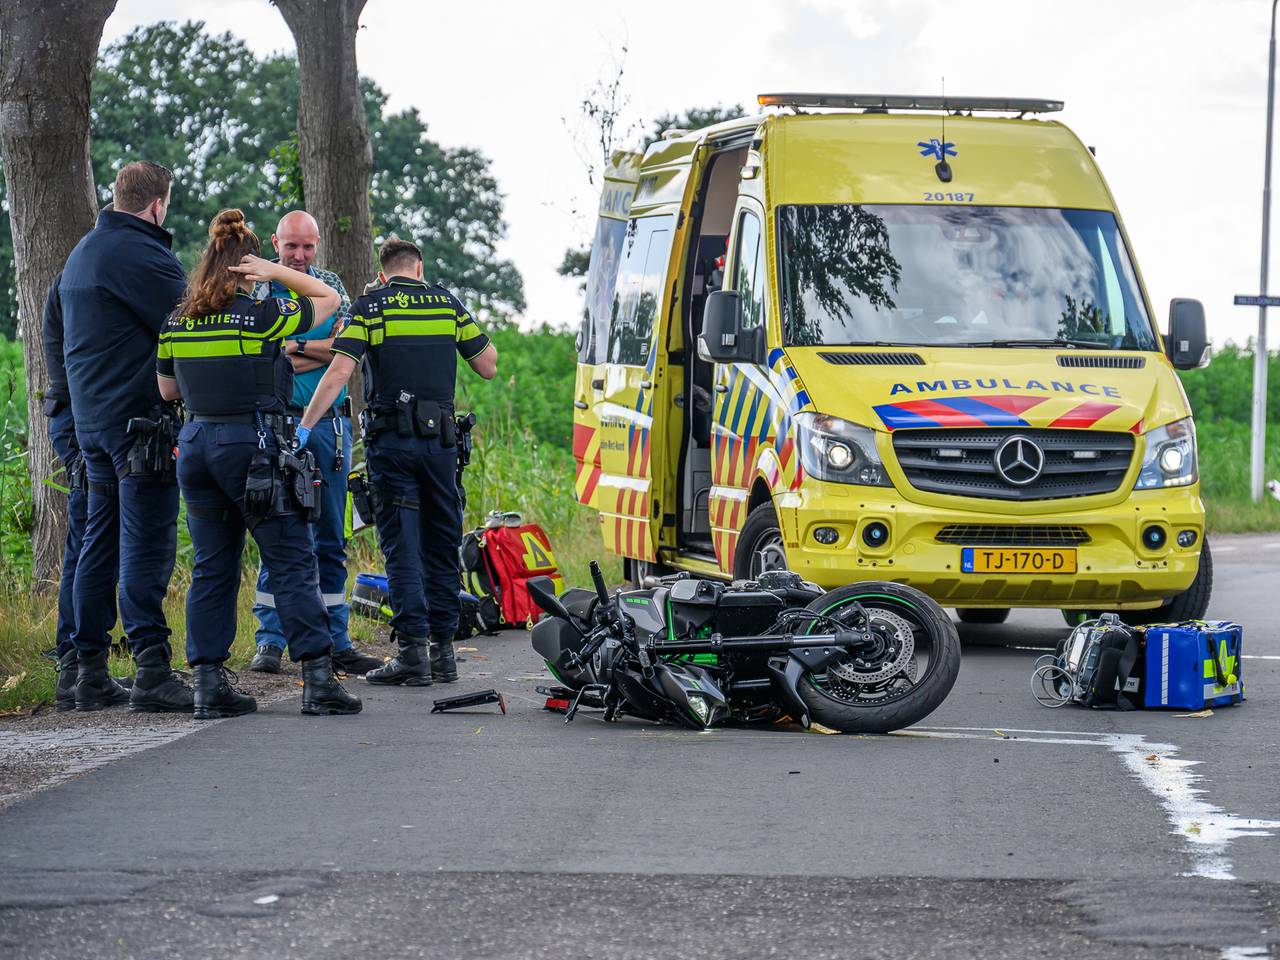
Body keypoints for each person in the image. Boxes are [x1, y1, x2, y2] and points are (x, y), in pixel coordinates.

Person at [157, 209, 361, 718]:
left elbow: (168, 389)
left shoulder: (177, 321)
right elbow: (328, 299)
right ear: (250, 268)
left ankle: (208, 685)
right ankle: (318, 679)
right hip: (252, 448)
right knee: (292, 560)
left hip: (197, 446)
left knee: (212, 567)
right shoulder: (262, 316)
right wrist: (276, 273)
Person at [300, 238, 497, 685]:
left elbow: (339, 370)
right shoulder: (447, 304)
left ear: (383, 272)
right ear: (420, 268)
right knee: (442, 543)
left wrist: (307, 426)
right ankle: (444, 652)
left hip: (392, 447)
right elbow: (487, 364)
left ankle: (412, 653)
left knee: (401, 546)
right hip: (441, 447)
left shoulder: (372, 307)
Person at [59, 161, 191, 713]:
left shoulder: (82, 254)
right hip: (139, 425)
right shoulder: (141, 254)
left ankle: (84, 670)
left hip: (91, 423)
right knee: (147, 543)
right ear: (157, 204)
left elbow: (54, 337)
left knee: (99, 542)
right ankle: (152, 667)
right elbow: (194, 316)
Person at [246, 210, 383, 677]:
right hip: (277, 424)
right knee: (281, 534)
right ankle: (270, 640)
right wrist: (316, 351)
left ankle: (336, 639)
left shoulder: (332, 285)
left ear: (318, 243)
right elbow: (259, 359)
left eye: (307, 247)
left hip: (330, 426)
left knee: (329, 536)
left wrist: (293, 349)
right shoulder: (259, 287)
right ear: (275, 243)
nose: (299, 256)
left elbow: (348, 353)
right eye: (291, 247)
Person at [42, 276, 128, 711]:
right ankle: (75, 663)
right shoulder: (81, 285)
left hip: (75, 415)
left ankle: (76, 663)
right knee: (87, 537)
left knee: (88, 537)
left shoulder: (70, 284)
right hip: (80, 417)